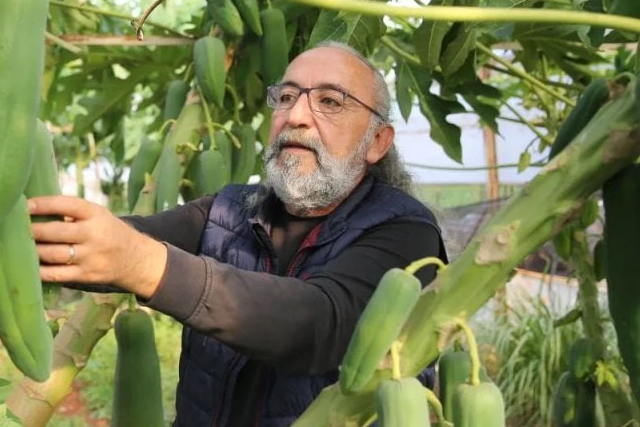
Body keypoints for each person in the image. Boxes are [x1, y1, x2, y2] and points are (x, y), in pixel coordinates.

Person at [28, 42, 447, 426]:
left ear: (377, 141)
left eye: (330, 101)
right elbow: (126, 238)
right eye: (286, 97)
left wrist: (141, 263)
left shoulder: (405, 233)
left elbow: (321, 323)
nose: (296, 116)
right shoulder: (230, 210)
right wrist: (11, 231)